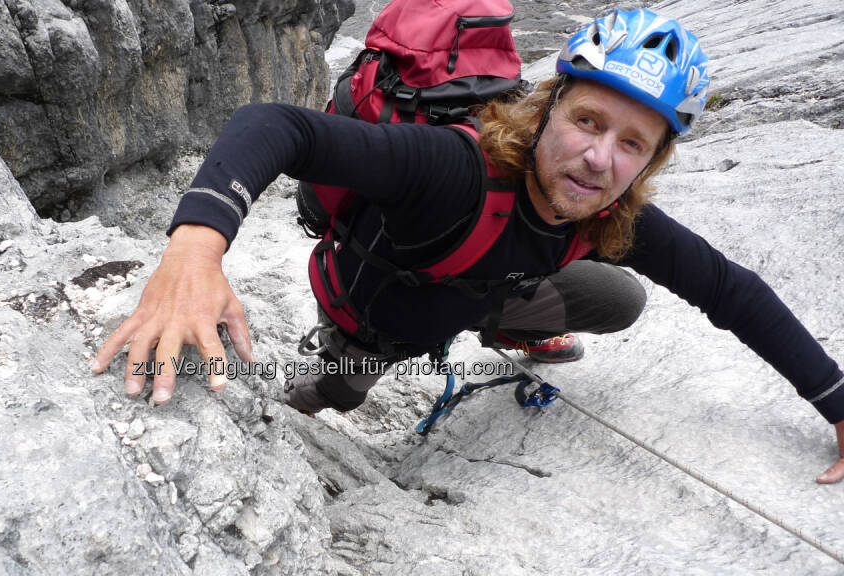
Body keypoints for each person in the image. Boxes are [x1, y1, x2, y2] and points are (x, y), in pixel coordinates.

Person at [89, 10, 844, 483]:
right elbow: (275, 126)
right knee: (338, 391)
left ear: (649, 163)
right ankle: (317, 385)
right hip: (380, 316)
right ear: (547, 110)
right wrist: (195, 251)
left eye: (632, 144)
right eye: (587, 122)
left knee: (619, 296)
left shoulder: (610, 214)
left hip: (487, 291)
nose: (599, 158)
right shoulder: (454, 169)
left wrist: (836, 402)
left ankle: (503, 325)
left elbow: (730, 290)